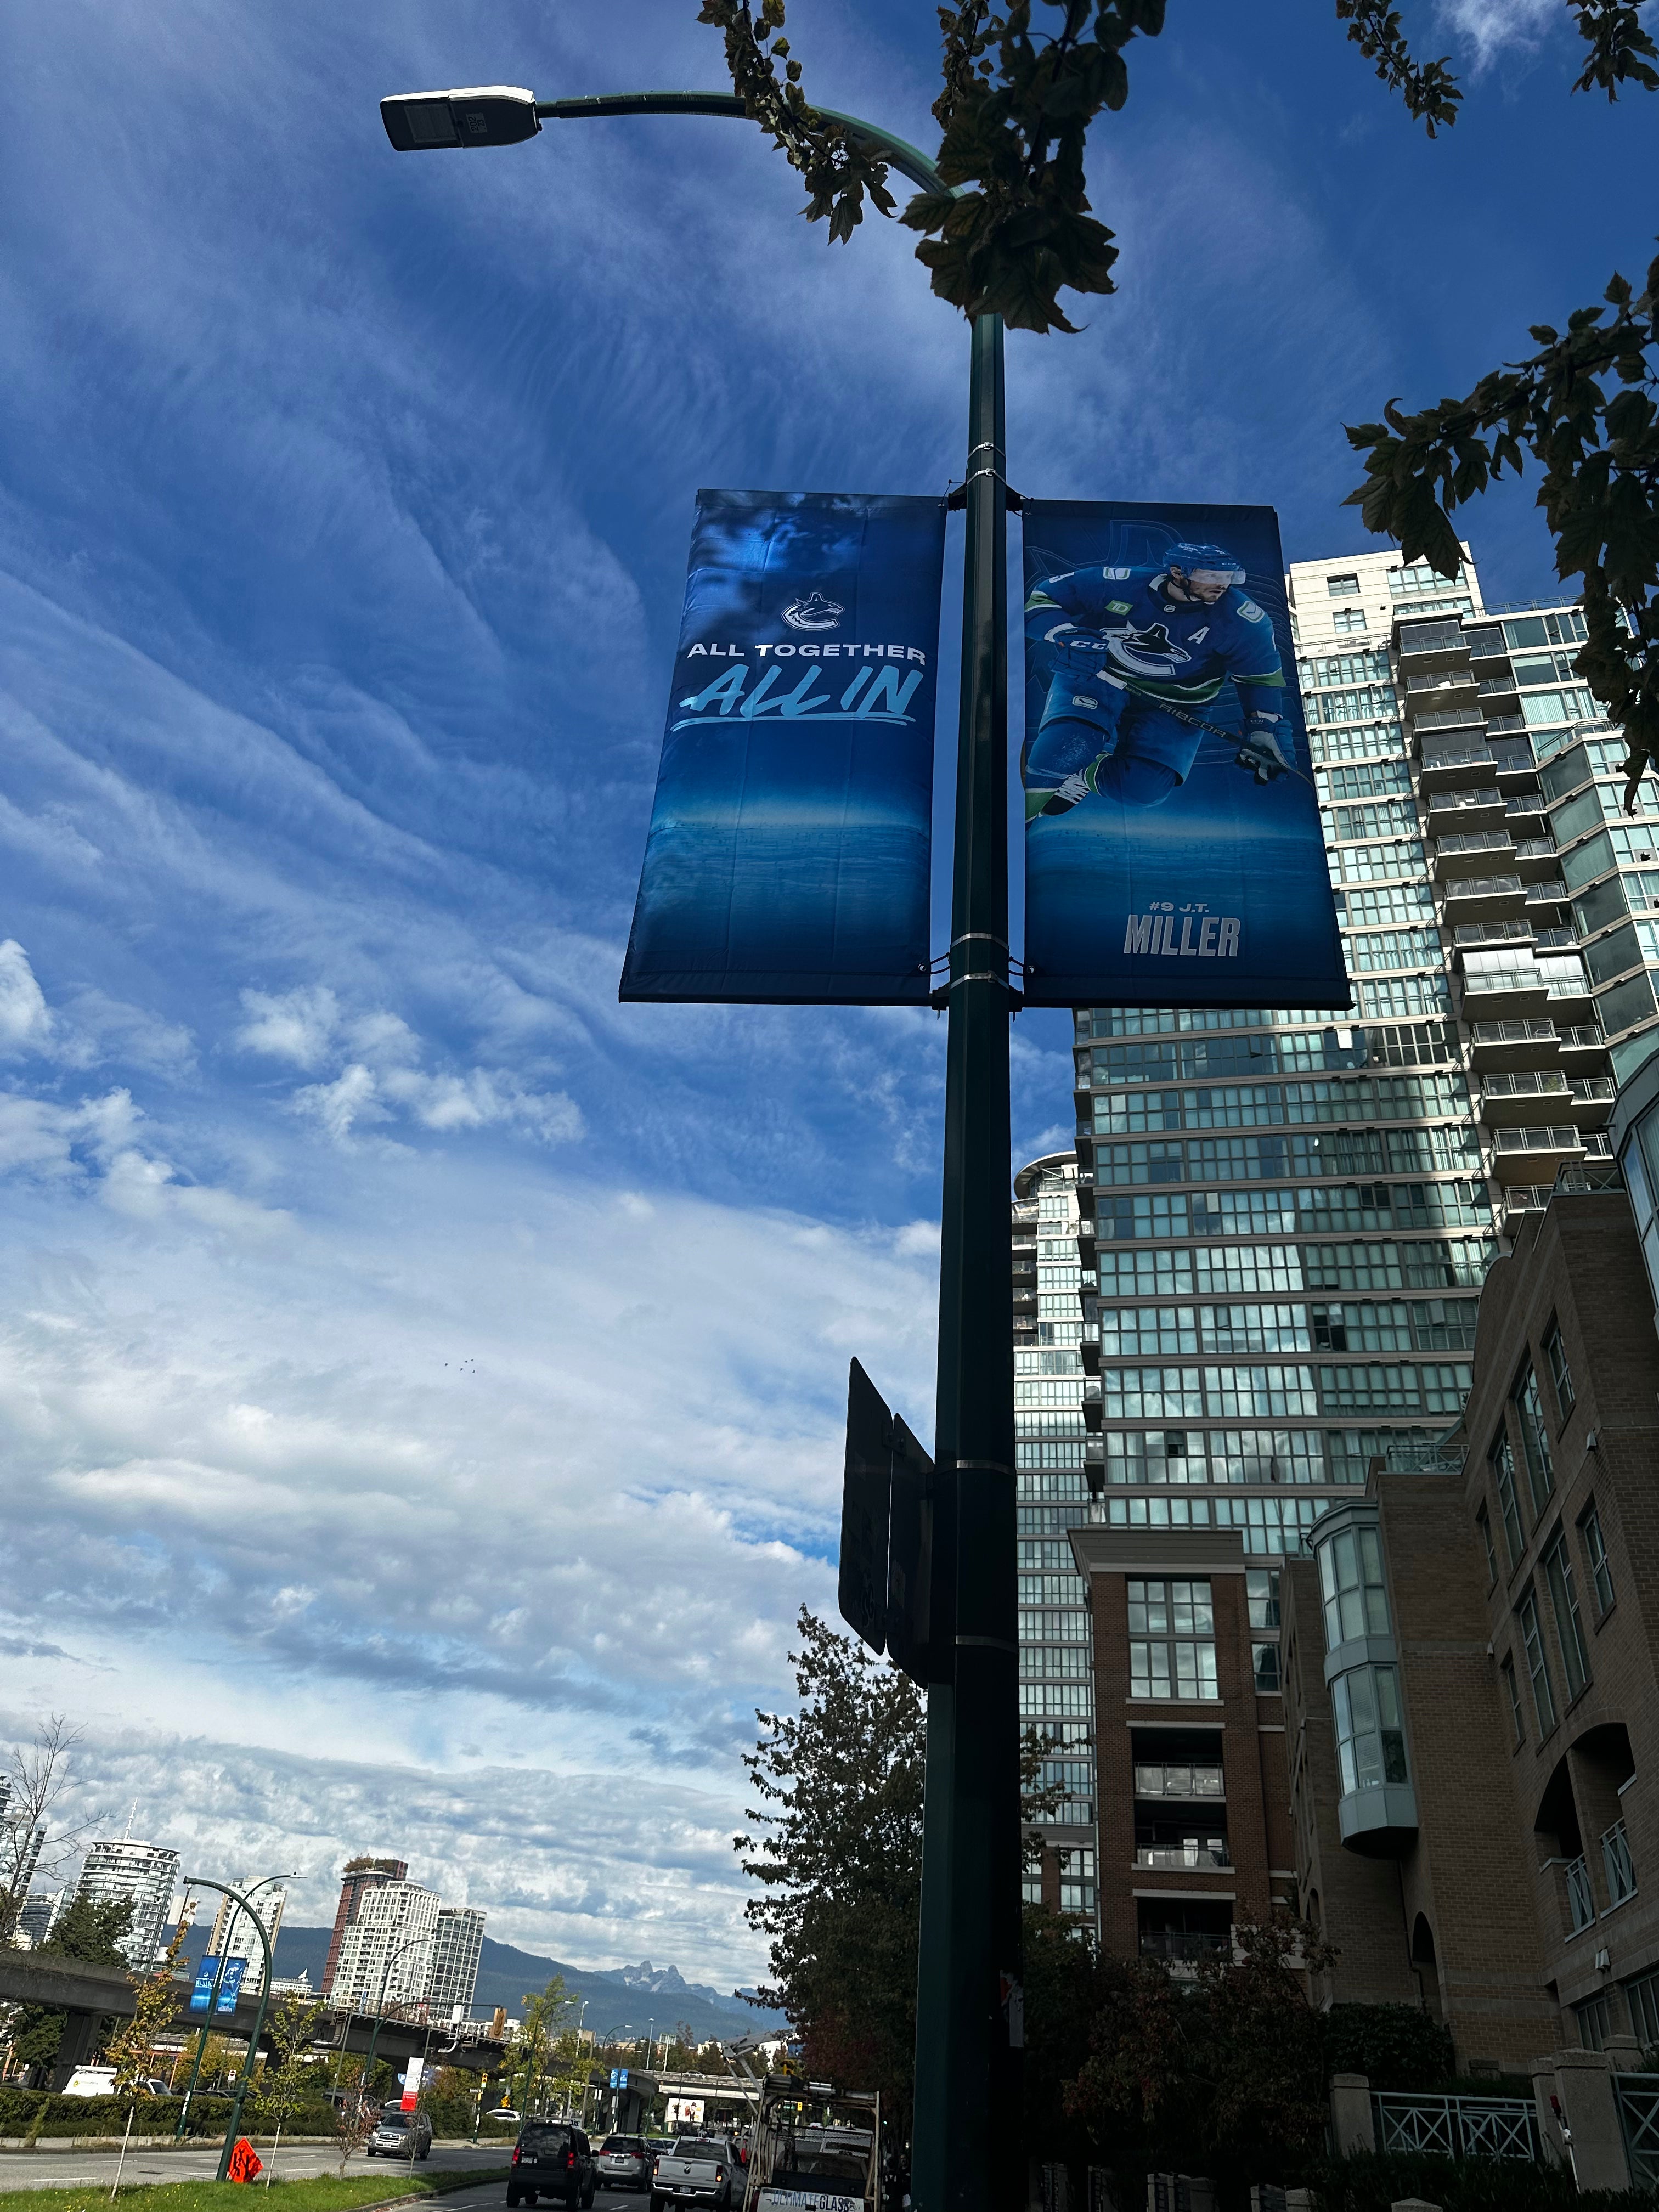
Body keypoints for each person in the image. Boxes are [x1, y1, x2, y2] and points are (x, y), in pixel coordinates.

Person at [1023, 541, 1293, 812]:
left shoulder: (1244, 620)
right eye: (1211, 576)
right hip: (1101, 675)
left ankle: (1084, 773)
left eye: (1227, 577)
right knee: (1063, 750)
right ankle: (1036, 799)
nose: (1222, 585)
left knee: (1144, 789)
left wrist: (1263, 729)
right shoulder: (1119, 583)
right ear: (1178, 572)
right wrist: (1064, 633)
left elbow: (1260, 678)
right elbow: (1041, 599)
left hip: (1180, 701)